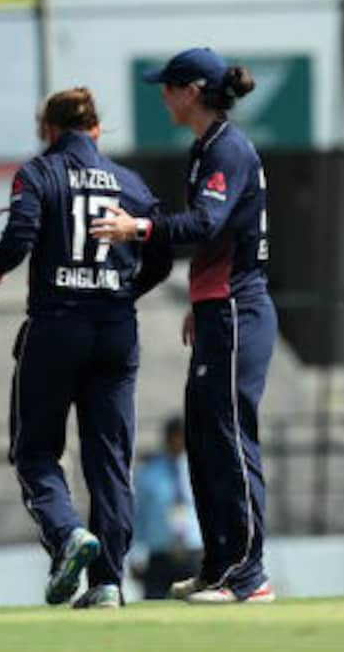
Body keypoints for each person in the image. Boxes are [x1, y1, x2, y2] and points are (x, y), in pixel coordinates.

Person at [90, 47, 276, 605]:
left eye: (168, 88)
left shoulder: (227, 149)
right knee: (204, 438)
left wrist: (136, 228)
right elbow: (220, 235)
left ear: (190, 91)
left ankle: (247, 574)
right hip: (222, 307)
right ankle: (220, 565)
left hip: (239, 312)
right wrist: (201, 297)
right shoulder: (209, 149)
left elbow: (205, 223)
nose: (162, 97)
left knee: (230, 440)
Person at [0, 87, 172, 608]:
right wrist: (128, 288)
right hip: (115, 327)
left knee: (36, 449)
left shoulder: (38, 172)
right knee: (109, 460)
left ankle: (67, 534)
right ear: (97, 130)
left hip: (58, 325)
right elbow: (163, 251)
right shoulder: (129, 182)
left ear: (49, 130)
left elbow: (21, 232)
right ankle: (108, 581)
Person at [131, 417, 203, 600]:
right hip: (161, 552)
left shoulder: (201, 468)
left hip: (194, 550)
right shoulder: (149, 471)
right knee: (154, 601)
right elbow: (140, 515)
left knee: (198, 603)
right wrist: (135, 553)